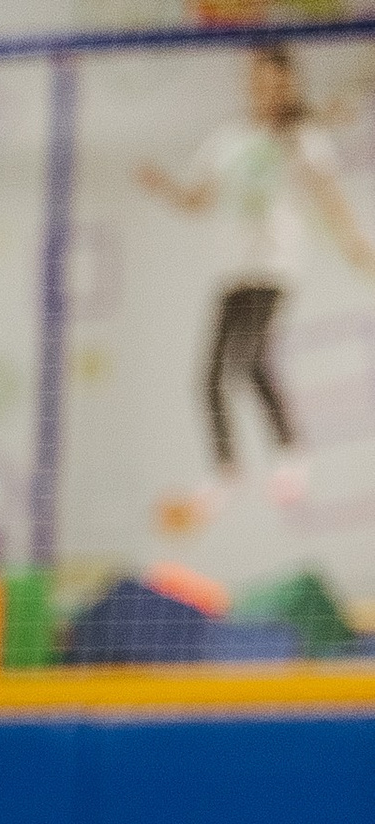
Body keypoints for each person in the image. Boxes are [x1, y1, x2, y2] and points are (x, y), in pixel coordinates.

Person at [140, 47, 375, 518]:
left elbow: (328, 196)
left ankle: (290, 453)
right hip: (232, 272)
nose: (269, 94)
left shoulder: (301, 136)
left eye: (278, 86)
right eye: (261, 84)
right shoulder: (228, 141)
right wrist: (164, 186)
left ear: (289, 88)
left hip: (274, 267)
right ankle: (225, 470)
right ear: (250, 86)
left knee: (247, 362)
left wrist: (355, 247)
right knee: (207, 378)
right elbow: (197, 199)